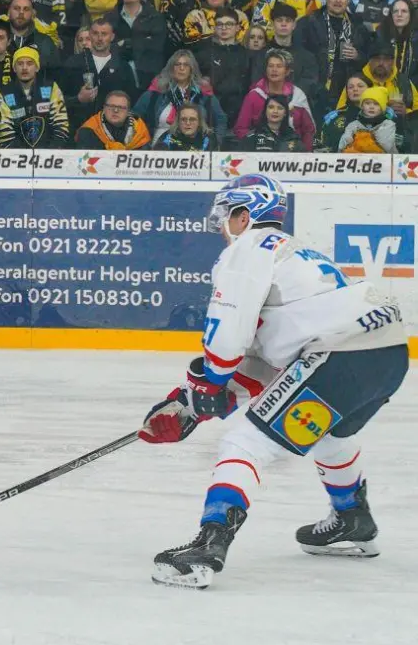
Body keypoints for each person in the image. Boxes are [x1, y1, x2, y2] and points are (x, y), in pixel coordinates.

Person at [142, 174, 407, 589]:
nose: (222, 228)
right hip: (387, 353)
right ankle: (353, 518)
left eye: (227, 216)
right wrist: (193, 405)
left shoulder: (248, 249)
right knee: (330, 431)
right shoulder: (293, 256)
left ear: (245, 215)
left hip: (337, 356)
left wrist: (210, 384)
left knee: (243, 443)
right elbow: (265, 364)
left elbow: (228, 338)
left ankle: (209, 546)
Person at [75, 88, 151, 149]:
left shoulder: (139, 130)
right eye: (111, 106)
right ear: (104, 108)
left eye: (121, 108)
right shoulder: (89, 130)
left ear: (128, 112)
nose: (116, 110)